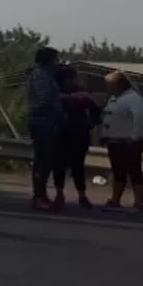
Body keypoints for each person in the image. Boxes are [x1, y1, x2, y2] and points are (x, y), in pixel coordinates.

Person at [53, 65, 99, 210]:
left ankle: (81, 195)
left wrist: (91, 124)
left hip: (77, 132)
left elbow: (95, 109)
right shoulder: (57, 92)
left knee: (77, 166)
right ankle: (60, 194)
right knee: (59, 165)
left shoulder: (80, 93)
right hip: (63, 132)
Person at [25, 47, 64, 211]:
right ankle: (39, 196)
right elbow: (45, 100)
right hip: (43, 122)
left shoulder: (44, 75)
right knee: (43, 160)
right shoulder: (41, 75)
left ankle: (40, 195)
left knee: (44, 160)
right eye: (56, 59)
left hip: (44, 121)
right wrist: (59, 113)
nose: (58, 62)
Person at [100, 71, 143, 210]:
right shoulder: (114, 99)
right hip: (115, 140)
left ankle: (139, 202)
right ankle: (115, 199)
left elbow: (139, 118)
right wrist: (104, 134)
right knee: (118, 171)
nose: (108, 88)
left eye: (110, 85)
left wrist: (135, 137)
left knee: (134, 171)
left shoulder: (134, 98)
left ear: (119, 85)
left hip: (129, 141)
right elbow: (108, 117)